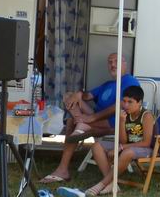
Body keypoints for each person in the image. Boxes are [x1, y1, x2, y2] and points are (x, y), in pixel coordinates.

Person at [39, 53, 140, 183]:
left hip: (113, 123)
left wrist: (92, 118)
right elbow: (87, 96)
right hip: (95, 118)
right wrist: (78, 94)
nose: (113, 65)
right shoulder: (108, 84)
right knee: (69, 96)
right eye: (110, 62)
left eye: (116, 61)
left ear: (124, 64)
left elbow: (121, 105)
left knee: (72, 122)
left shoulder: (130, 81)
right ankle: (80, 124)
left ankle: (63, 168)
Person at [85, 85, 155, 196]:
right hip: (127, 146)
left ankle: (102, 184)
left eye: (130, 102)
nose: (126, 105)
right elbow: (123, 140)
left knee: (127, 152)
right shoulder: (124, 114)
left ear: (139, 102)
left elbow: (146, 143)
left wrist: (120, 148)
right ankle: (111, 184)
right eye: (124, 101)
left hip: (144, 148)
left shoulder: (146, 116)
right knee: (96, 146)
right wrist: (121, 121)